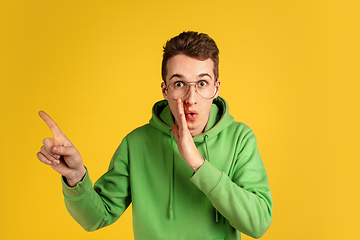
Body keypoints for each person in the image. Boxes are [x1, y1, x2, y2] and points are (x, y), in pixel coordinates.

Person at [37, 31, 273, 240]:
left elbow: (258, 224)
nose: (191, 98)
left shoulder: (240, 138)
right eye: (179, 83)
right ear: (165, 90)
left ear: (216, 88)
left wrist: (197, 164)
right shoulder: (136, 143)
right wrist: (76, 178)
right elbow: (96, 218)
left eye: (202, 83)